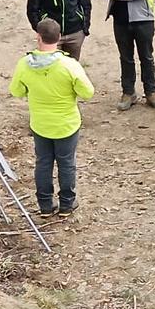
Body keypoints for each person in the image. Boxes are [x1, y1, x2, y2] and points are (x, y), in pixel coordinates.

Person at [9, 17, 95, 215]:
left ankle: (45, 205)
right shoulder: (69, 65)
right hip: (66, 124)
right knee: (66, 163)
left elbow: (16, 91)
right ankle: (67, 203)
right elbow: (88, 92)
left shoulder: (24, 64)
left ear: (38, 37)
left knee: (43, 163)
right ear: (58, 38)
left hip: (40, 123)